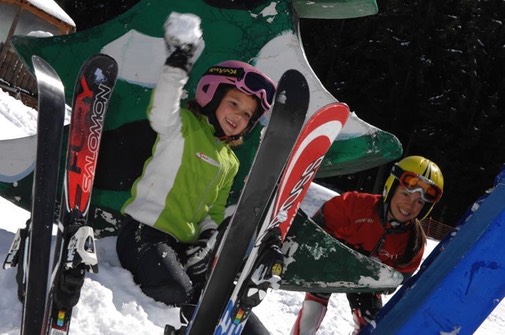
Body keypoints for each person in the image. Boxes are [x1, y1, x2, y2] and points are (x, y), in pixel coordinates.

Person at [115, 12, 276, 333]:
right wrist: (179, 63)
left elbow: (213, 209)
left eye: (247, 114)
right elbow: (163, 107)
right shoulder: (182, 128)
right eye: (233, 103)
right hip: (142, 236)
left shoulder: (229, 160)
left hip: (184, 249)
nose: (239, 116)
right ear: (213, 95)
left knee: (221, 297)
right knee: (179, 291)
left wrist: (207, 237)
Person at [290, 155, 444, 335]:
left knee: (373, 324)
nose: (409, 205)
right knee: (313, 308)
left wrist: (372, 276)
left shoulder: (412, 242)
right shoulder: (355, 205)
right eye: (406, 194)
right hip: (331, 262)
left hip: (367, 280)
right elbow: (315, 232)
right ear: (391, 188)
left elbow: (396, 278)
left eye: (419, 202)